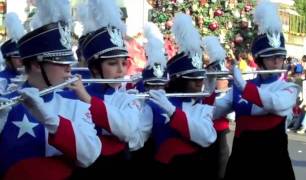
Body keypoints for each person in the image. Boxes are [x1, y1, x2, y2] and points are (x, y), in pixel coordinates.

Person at [0, 1, 101, 179]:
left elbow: (90, 155)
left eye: (69, 61)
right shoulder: (6, 101)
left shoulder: (75, 102)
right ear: (35, 65)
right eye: (60, 62)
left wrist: (51, 120)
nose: (69, 68)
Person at [213, 1, 299, 179]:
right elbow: (214, 111)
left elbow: (276, 103)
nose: (277, 62)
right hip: (242, 164)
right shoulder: (240, 87)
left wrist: (245, 88)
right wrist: (207, 87)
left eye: (280, 57)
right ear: (260, 60)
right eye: (271, 57)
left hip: (274, 165)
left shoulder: (288, 87)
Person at [69, 0, 149, 177]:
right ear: (95, 68)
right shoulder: (73, 96)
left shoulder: (128, 97)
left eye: (123, 63)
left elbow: (126, 129)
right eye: (112, 63)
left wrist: (88, 100)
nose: (121, 70)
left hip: (119, 165)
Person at [144, 13, 217, 177]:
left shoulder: (202, 107)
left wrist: (173, 113)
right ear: (179, 80)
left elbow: (206, 137)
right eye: (193, 79)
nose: (200, 83)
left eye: (201, 78)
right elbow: (135, 139)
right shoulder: (156, 104)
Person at [203, 36, 230, 180]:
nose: (224, 80)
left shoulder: (227, 95)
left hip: (219, 132)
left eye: (223, 77)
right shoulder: (203, 86)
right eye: (220, 77)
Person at [0, 12, 24, 95]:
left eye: (23, 55)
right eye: (17, 56)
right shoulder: (1, 79)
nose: (22, 60)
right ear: (8, 60)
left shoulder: (32, 77)